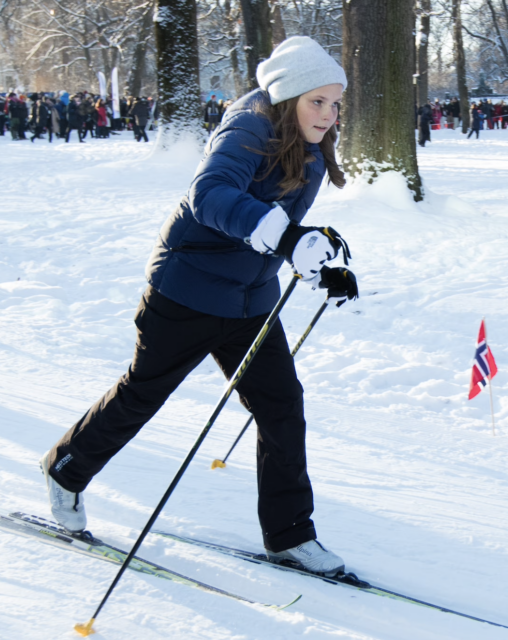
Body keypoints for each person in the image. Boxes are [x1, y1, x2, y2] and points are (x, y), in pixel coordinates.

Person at [38, 36, 358, 576]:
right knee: (143, 394)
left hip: (249, 300)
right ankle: (64, 471)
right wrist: (284, 241)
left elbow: (278, 220)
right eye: (316, 101)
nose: (327, 114)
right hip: (186, 291)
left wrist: (317, 260)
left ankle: (289, 536)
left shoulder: (308, 143)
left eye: (334, 103)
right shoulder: (249, 127)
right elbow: (209, 195)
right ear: (286, 97)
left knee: (282, 407)